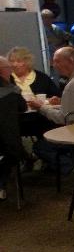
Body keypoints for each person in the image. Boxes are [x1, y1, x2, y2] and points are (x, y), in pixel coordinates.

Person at [0, 56, 27, 200]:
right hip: (8, 143)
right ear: (3, 71)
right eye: (9, 68)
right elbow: (23, 107)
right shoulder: (10, 91)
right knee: (12, 151)